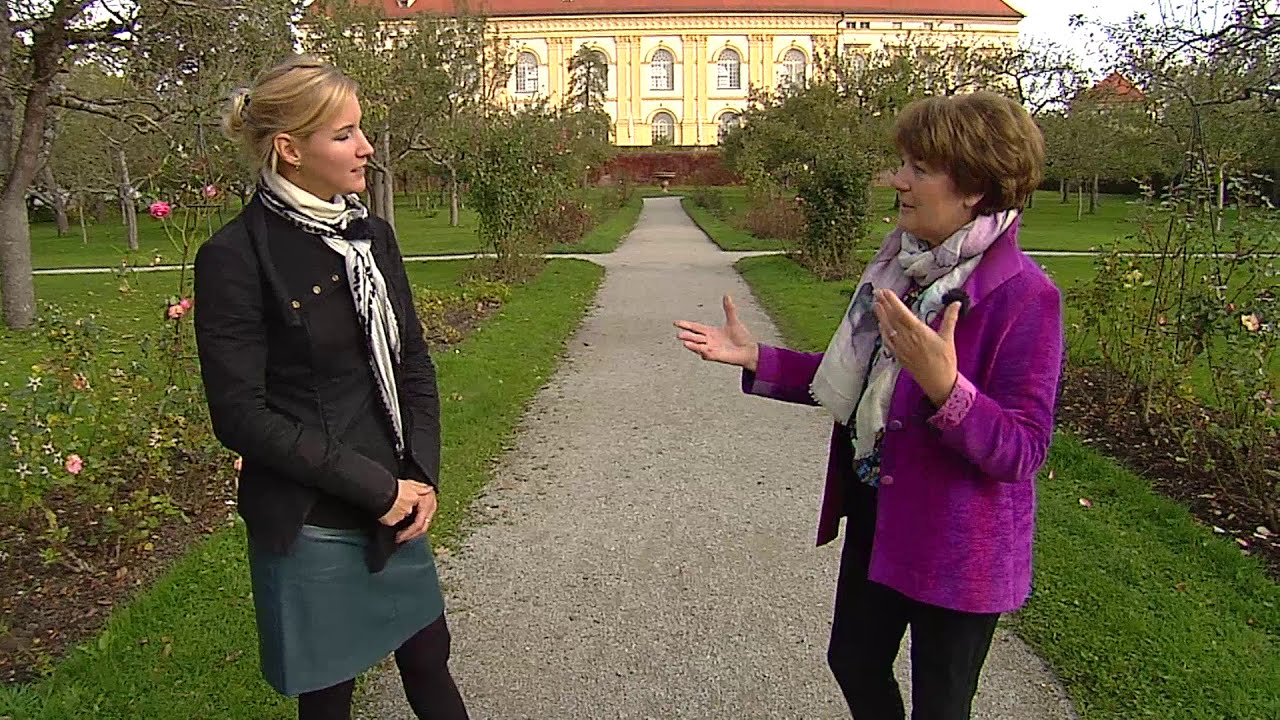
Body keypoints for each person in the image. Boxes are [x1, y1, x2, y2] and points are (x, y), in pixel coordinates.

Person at [675, 91, 1063, 719]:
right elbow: (851, 387)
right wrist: (755, 359)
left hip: (959, 545)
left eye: (918, 168)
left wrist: (948, 388)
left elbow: (1022, 449)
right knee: (853, 662)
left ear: (973, 187)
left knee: (941, 706)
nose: (897, 180)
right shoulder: (901, 269)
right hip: (879, 515)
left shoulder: (1023, 296)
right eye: (901, 162)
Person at [193, 55, 468, 720]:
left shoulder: (372, 238)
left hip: (398, 497)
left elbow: (414, 366)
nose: (367, 148)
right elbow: (241, 415)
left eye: (361, 130)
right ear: (289, 149)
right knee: (328, 692)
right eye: (344, 134)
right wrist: (378, 489)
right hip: (313, 516)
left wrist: (419, 475)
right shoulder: (234, 258)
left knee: (429, 654)